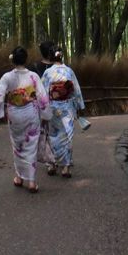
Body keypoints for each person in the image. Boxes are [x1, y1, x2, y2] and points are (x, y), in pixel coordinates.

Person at [0, 46, 51, 193]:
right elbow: (43, 98)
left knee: (18, 146)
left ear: (13, 60)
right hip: (31, 112)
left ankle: (19, 178)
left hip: (14, 115)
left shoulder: (7, 77)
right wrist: (46, 115)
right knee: (31, 145)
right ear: (26, 59)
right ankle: (31, 182)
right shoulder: (34, 76)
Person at [42, 47, 85, 178]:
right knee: (67, 136)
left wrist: (42, 110)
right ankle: (65, 167)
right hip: (67, 108)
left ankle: (52, 164)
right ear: (62, 56)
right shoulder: (69, 71)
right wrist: (79, 106)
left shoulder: (48, 73)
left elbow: (43, 93)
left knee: (52, 135)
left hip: (52, 108)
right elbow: (76, 90)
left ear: (52, 57)